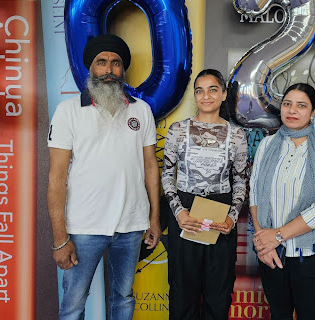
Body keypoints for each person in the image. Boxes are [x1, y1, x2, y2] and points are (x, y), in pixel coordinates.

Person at [47, 34, 161, 320]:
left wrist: (154, 219)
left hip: (132, 224)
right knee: (73, 303)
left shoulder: (142, 110)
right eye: (102, 62)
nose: (109, 70)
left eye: (116, 63)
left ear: (123, 70)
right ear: (91, 68)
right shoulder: (68, 111)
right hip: (84, 226)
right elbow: (56, 177)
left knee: (123, 298)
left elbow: (150, 167)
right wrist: (60, 238)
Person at [249, 83, 315, 320]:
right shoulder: (267, 145)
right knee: (278, 315)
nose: (292, 111)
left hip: (313, 256)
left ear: (313, 112)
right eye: (287, 104)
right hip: (272, 255)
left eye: (301, 106)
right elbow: (254, 194)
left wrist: (277, 236)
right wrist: (264, 243)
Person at [162, 69, 248, 320]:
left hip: (220, 211)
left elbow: (241, 180)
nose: (205, 96)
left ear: (223, 94)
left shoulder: (237, 135)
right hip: (185, 209)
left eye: (212, 90)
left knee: (218, 293)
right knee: (182, 291)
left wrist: (232, 217)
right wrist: (178, 212)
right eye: (199, 90)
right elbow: (167, 175)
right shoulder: (178, 130)